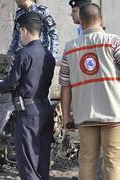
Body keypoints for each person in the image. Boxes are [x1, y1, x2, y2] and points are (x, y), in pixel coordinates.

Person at [0, 12, 55, 180]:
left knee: (28, 163)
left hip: (28, 113)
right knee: (42, 160)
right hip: (45, 110)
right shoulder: (49, 55)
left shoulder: (24, 54)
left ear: (24, 31)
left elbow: (11, 83)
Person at [59, 3, 120, 180]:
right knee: (113, 162)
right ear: (100, 19)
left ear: (82, 21)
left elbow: (65, 86)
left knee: (86, 161)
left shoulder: (69, 48)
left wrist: (66, 117)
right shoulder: (114, 42)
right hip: (113, 114)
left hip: (85, 115)